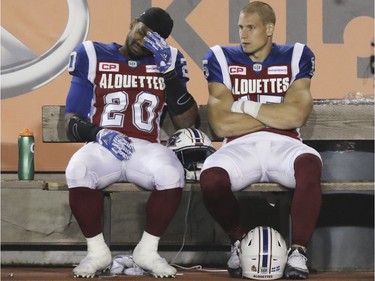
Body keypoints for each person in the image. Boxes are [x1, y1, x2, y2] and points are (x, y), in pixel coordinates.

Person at [64, 7, 198, 278]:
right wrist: (99, 133)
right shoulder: (93, 53)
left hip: (146, 146)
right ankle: (97, 252)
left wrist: (169, 74)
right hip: (105, 143)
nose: (144, 41)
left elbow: (186, 123)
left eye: (154, 39)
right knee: (77, 169)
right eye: (143, 32)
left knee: (172, 173)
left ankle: (147, 251)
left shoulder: (168, 59)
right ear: (133, 23)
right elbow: (72, 120)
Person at [200, 1, 322, 280]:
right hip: (239, 146)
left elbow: (297, 116)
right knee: (211, 178)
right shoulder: (221, 57)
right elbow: (220, 123)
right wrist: (276, 112)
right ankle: (238, 242)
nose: (243, 34)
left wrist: (246, 106)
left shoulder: (296, 55)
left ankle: (298, 251)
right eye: (241, 27)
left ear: (269, 29)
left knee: (310, 165)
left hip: (286, 144)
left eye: (250, 28)